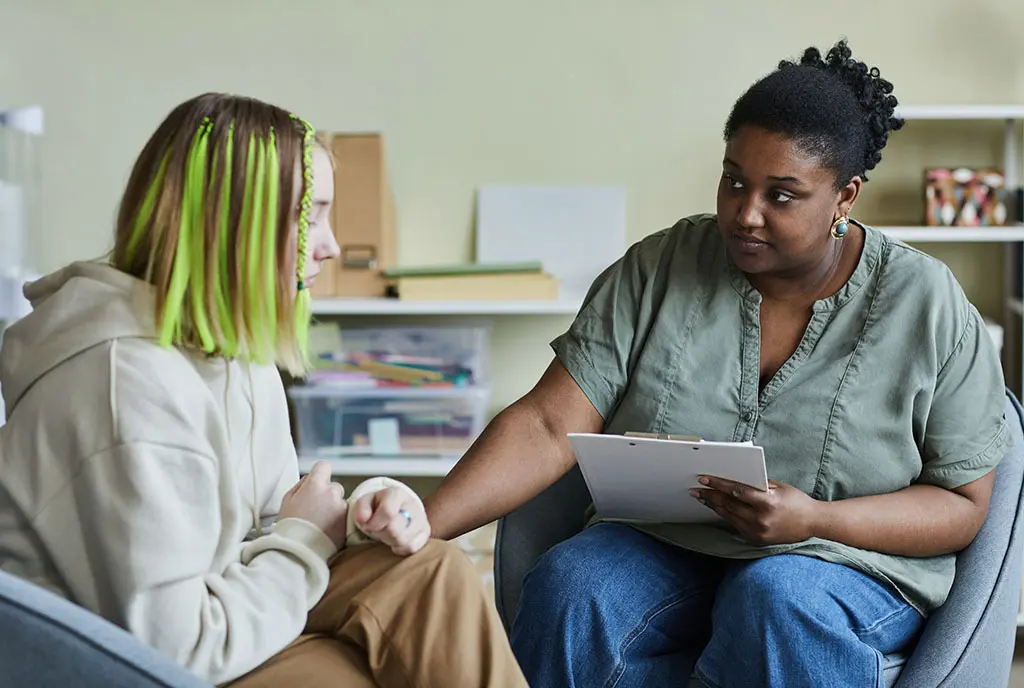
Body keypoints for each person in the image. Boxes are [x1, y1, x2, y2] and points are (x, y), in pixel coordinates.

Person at [424, 39, 1012, 687]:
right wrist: (419, 528)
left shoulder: (924, 303)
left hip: (843, 563)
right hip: (668, 545)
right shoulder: (657, 268)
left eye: (782, 196)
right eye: (734, 180)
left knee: (777, 595)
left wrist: (816, 519)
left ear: (844, 197)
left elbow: (964, 504)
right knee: (576, 583)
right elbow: (545, 423)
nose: (745, 214)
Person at [0, 93, 526, 688]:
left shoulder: (234, 353)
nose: (329, 245)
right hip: (130, 660)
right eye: (313, 217)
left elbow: (270, 519)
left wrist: (365, 516)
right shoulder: (123, 386)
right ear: (237, 223)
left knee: (433, 570)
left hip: (224, 605)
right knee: (347, 674)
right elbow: (175, 648)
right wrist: (305, 538)